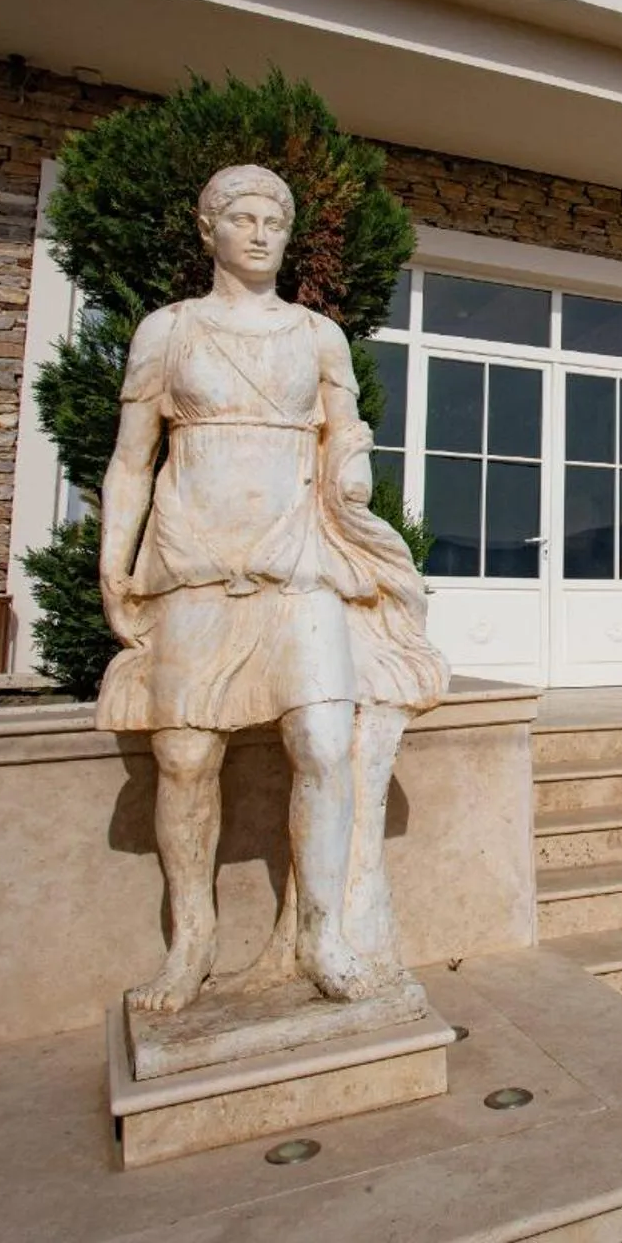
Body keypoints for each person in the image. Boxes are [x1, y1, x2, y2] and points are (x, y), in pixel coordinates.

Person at [96, 164, 450, 1014]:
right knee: (185, 758)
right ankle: (193, 942)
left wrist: (351, 469)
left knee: (324, 743)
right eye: (242, 218)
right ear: (208, 229)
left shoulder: (318, 337)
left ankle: (322, 935)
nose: (259, 234)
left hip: (298, 556)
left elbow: (346, 434)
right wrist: (114, 562)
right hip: (194, 556)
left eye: (274, 222)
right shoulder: (168, 332)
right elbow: (132, 460)